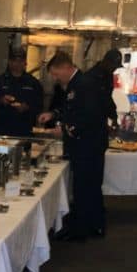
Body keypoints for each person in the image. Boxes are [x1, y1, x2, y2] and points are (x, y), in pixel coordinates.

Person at [38, 52, 110, 241]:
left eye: (55, 73)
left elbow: (89, 116)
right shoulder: (75, 84)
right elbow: (70, 108)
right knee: (87, 186)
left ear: (65, 67)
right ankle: (92, 225)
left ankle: (84, 229)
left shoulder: (84, 84)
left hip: (88, 145)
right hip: (84, 144)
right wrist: (54, 115)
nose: (55, 78)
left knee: (86, 187)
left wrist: (67, 130)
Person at [0, 48, 43, 137]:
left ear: (25, 63)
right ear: (9, 62)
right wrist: (1, 100)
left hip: (25, 129)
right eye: (15, 61)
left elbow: (39, 105)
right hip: (2, 128)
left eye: (21, 61)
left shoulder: (33, 82)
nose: (18, 64)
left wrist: (27, 107)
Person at [86, 48, 123, 133]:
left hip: (101, 120)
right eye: (113, 66)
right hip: (91, 121)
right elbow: (93, 103)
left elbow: (108, 98)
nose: (114, 69)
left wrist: (114, 117)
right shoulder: (92, 77)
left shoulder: (108, 76)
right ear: (106, 62)